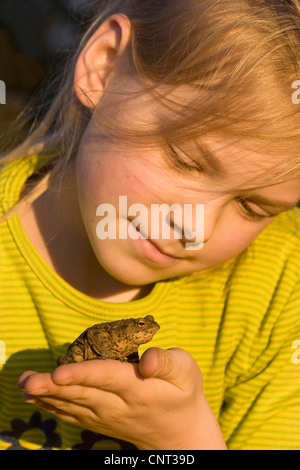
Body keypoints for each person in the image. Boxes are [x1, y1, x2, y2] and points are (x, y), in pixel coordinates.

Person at [0, 0, 300, 450]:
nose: (194, 228)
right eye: (185, 160)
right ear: (103, 68)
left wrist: (185, 442)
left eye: (252, 207)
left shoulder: (279, 290)